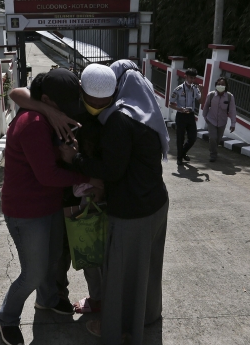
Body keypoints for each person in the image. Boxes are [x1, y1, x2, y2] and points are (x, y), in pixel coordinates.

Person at [60, 61, 170, 345]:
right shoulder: (144, 111)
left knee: (119, 272)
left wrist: (75, 160)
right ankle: (145, 316)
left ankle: (119, 330)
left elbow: (111, 170)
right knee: (146, 267)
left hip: (133, 211)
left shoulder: (119, 120)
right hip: (155, 203)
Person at [0, 69, 100, 345]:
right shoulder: (32, 122)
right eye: (61, 107)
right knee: (34, 272)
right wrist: (88, 177)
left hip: (48, 205)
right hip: (25, 211)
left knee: (53, 259)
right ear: (45, 100)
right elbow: (48, 175)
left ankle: (48, 300)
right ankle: (7, 318)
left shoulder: (45, 113)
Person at [169, 68, 203, 165]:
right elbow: (171, 104)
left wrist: (202, 91)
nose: (192, 80)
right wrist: (180, 109)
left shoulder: (195, 89)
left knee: (193, 137)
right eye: (190, 77)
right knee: (180, 138)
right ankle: (179, 158)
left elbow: (201, 102)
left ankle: (183, 153)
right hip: (181, 115)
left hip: (191, 115)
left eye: (193, 78)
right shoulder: (178, 89)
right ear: (186, 77)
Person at [202, 77, 236, 162]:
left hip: (222, 121)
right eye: (219, 84)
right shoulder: (211, 95)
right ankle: (213, 154)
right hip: (211, 120)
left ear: (226, 86)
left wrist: (233, 124)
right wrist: (205, 117)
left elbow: (232, 110)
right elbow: (206, 107)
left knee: (218, 139)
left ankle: (213, 150)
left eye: (223, 84)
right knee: (213, 137)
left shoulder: (229, 97)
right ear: (216, 85)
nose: (220, 86)